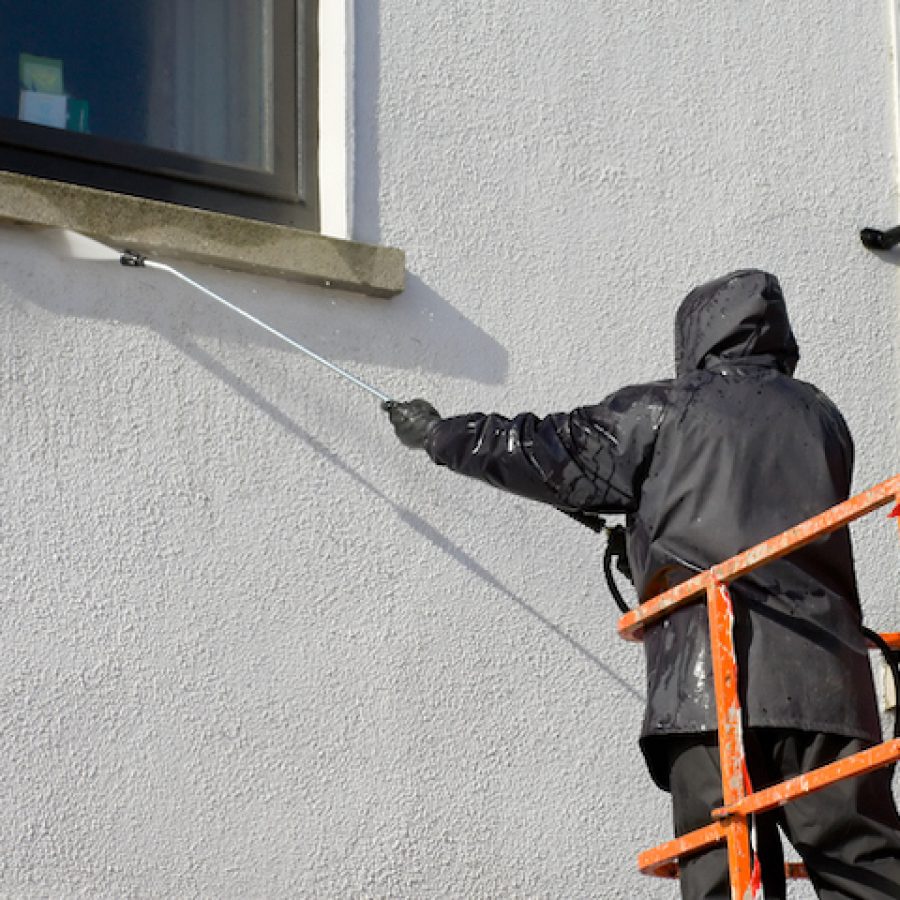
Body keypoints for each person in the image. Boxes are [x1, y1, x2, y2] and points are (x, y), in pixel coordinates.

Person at [383, 270, 900, 899]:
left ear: (698, 336)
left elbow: (548, 452)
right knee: (862, 864)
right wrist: (643, 538)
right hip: (827, 683)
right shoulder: (822, 417)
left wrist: (442, 434)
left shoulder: (669, 410)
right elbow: (751, 515)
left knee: (726, 869)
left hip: (708, 683)